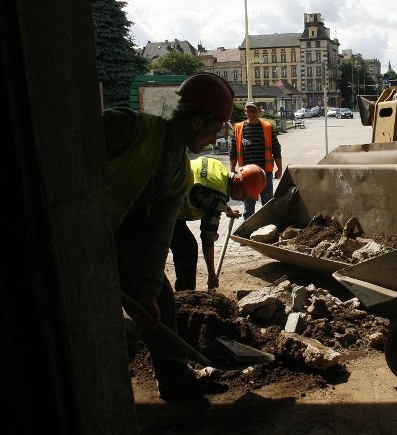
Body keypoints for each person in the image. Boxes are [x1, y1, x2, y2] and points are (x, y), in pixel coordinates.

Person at [102, 72, 234, 402]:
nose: (215, 137)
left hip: (123, 237)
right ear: (197, 122)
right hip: (81, 229)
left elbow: (160, 232)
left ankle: (174, 380)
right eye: (216, 128)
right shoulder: (126, 128)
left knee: (159, 300)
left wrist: (147, 288)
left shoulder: (179, 170)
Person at [171, 157, 266, 292]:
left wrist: (228, 209)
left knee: (187, 246)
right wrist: (211, 274)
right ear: (237, 181)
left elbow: (215, 192)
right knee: (187, 250)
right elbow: (208, 238)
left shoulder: (219, 169)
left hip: (171, 190)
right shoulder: (216, 197)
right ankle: (185, 296)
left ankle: (184, 292)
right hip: (161, 204)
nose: (244, 198)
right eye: (244, 193)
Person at [229, 101, 283, 220]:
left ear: (259, 112)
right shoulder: (238, 128)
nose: (251, 113)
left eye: (254, 111)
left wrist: (279, 168)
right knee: (248, 206)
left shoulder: (267, 128)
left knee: (267, 204)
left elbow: (276, 149)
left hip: (265, 174)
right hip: (246, 175)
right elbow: (233, 151)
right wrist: (232, 169)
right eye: (248, 111)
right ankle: (248, 228)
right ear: (245, 112)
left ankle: (269, 228)